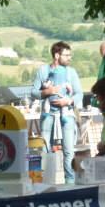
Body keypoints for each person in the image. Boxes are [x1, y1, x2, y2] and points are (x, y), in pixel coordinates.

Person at [32, 42, 82, 184]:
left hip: (66, 114)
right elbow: (33, 92)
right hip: (48, 115)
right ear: (56, 55)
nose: (69, 58)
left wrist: (68, 101)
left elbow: (79, 94)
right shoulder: (43, 71)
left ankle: (70, 182)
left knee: (68, 150)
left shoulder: (71, 72)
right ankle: (46, 182)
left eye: (70, 55)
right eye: (66, 55)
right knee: (45, 149)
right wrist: (47, 91)